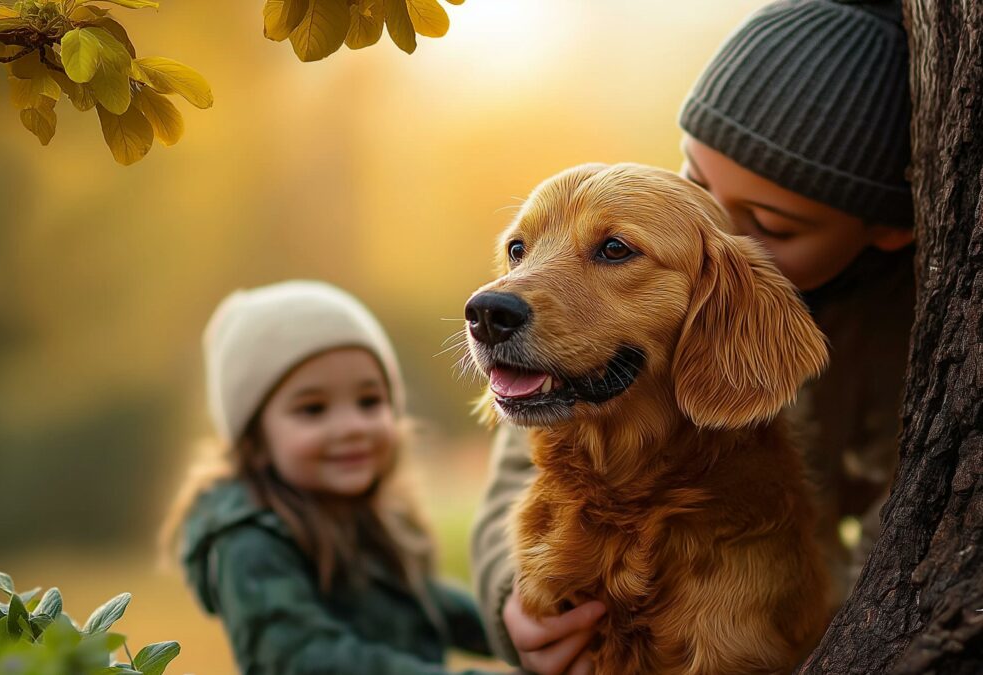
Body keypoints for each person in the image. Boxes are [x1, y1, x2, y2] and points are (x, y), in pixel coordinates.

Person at [469, 1, 916, 672]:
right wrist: (510, 594)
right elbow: (514, 473)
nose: (715, 223)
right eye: (696, 179)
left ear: (888, 231)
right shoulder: (649, 215)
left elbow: (913, 521)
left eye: (771, 223)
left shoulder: (911, 330)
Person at [164, 281, 496, 674]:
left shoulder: (364, 513)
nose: (352, 426)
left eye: (369, 402)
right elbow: (305, 658)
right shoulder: (248, 541)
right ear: (256, 437)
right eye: (313, 410)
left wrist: (517, 627)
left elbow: (422, 600)